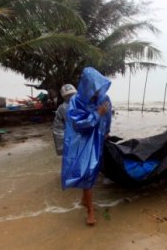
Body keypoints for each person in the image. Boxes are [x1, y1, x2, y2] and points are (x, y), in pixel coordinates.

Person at [62, 67, 112, 226]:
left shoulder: (104, 98)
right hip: (83, 140)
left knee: (93, 171)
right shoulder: (76, 101)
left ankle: (85, 198)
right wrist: (98, 114)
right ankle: (90, 210)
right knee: (87, 172)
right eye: (93, 87)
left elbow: (108, 117)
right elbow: (78, 125)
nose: (96, 91)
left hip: (98, 139)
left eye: (98, 87)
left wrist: (106, 132)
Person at [52, 84, 77, 156]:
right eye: (68, 95)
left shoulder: (62, 108)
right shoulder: (62, 108)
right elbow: (58, 129)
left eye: (72, 95)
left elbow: (57, 129)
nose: (71, 97)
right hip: (71, 140)